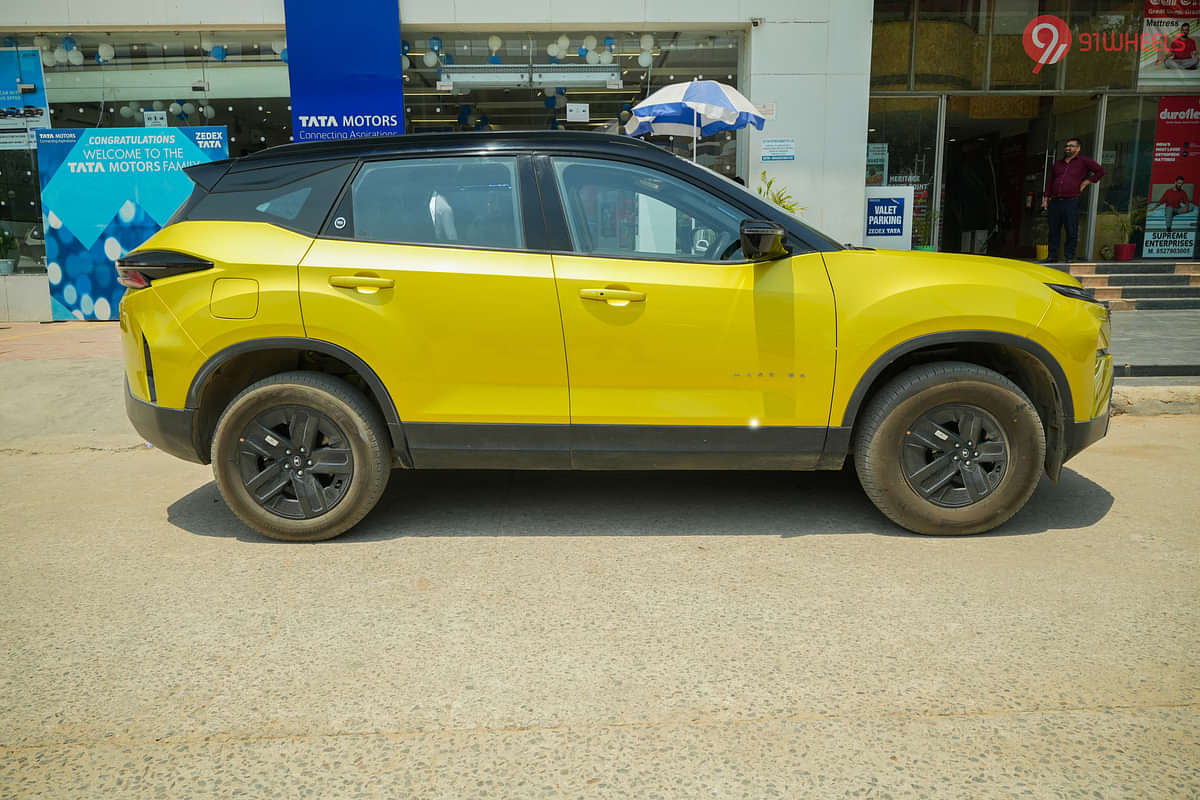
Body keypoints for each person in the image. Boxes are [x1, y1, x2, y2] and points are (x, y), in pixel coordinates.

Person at [1041, 138, 1105, 262]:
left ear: (1078, 148)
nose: (1068, 148)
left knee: (1071, 229)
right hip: (1055, 202)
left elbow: (1100, 171)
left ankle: (1069, 256)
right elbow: (1050, 182)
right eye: (1066, 146)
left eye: (1071, 146)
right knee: (1053, 230)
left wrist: (1087, 181)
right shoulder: (1058, 164)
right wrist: (1045, 199)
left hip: (1071, 201)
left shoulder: (1084, 161)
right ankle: (1052, 256)